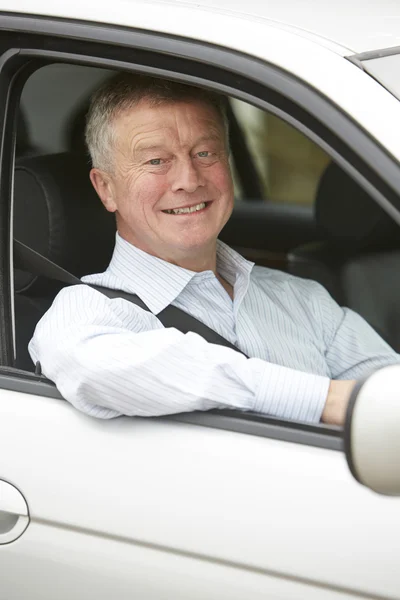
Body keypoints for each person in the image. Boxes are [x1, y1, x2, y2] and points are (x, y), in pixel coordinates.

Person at [29, 73, 399, 425]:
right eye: (156, 161)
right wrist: (326, 400)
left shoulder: (302, 300)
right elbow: (93, 366)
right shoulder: (87, 313)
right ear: (105, 188)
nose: (189, 180)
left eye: (205, 153)